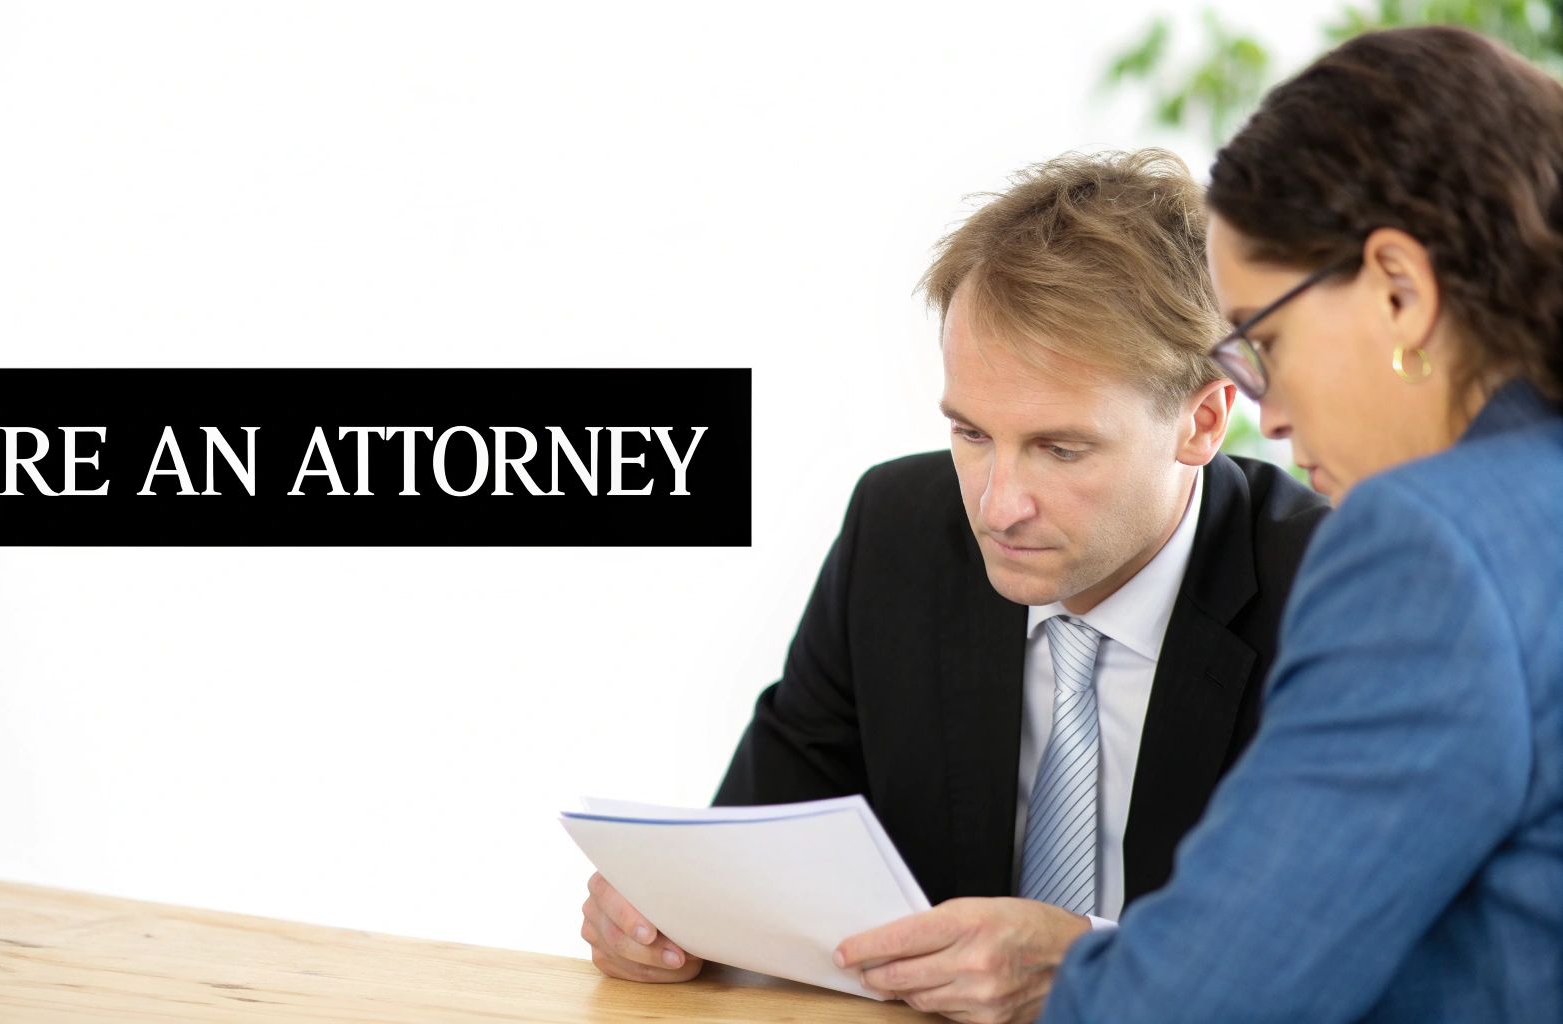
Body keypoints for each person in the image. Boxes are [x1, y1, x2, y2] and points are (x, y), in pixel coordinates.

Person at [579, 150, 1328, 1021]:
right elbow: (762, 846)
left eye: (1060, 448)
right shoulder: (898, 531)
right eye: (971, 434)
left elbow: (1379, 956)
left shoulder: (1338, 596)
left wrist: (1096, 961)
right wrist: (670, 919)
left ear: (1203, 421)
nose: (997, 505)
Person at [1036, 27, 1563, 1024]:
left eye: (1262, 341)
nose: (1264, 416)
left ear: (1399, 290)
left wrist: (1074, 974)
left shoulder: (1432, 549)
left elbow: (1187, 1005)